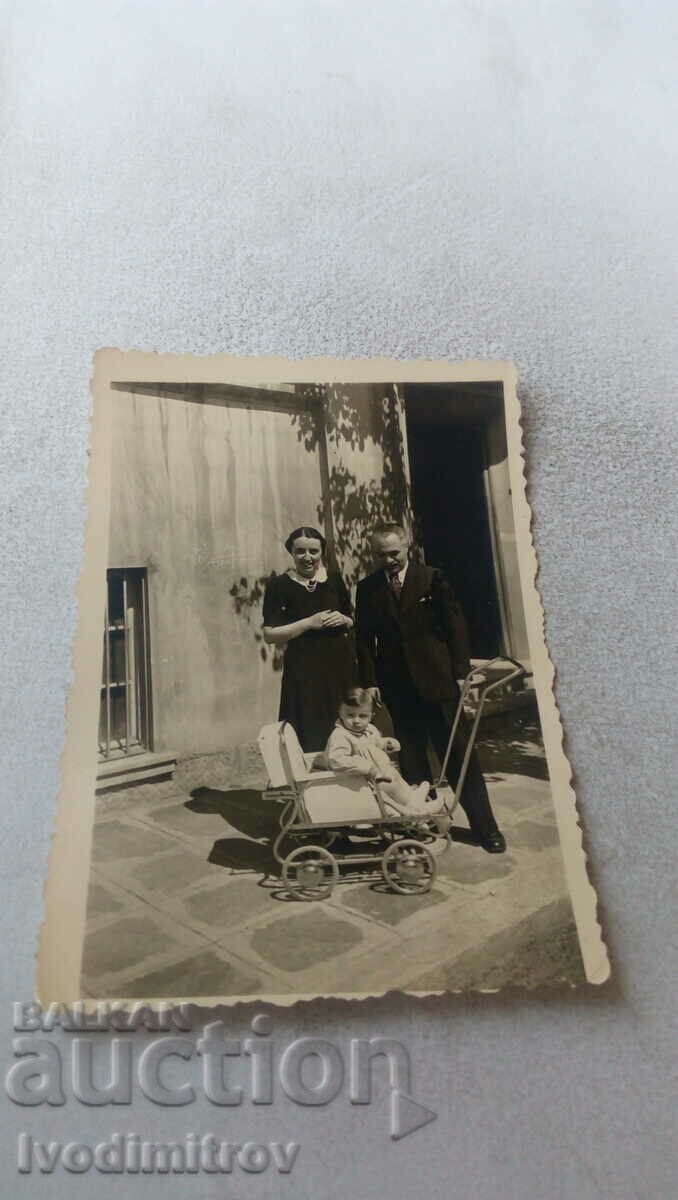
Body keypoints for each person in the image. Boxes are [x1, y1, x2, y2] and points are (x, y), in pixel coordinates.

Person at [355, 523, 506, 852]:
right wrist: (369, 681)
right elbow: (364, 640)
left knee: (458, 756)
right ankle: (422, 826)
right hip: (397, 687)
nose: (389, 560)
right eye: (381, 555)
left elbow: (455, 626)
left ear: (406, 545)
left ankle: (486, 829)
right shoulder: (367, 589)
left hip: (438, 684)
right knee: (412, 761)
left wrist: (460, 673)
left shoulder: (432, 578)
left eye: (394, 553)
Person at [262, 526, 357, 752]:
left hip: (340, 667)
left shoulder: (333, 579)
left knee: (347, 723)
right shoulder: (279, 586)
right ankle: (313, 784)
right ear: (291, 553)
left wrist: (343, 619)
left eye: (313, 551)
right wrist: (309, 623)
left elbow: (351, 619)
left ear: (321, 553)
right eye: (300, 551)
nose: (307, 557)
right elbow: (269, 634)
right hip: (304, 670)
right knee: (309, 726)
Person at [324, 687, 433, 814]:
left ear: (371, 716)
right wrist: (366, 767)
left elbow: (375, 744)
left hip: (380, 774)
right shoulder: (341, 735)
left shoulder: (369, 730)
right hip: (363, 781)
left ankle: (415, 802)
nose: (356, 720)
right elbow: (337, 759)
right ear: (340, 713)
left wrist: (386, 744)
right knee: (391, 784)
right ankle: (416, 807)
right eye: (350, 715)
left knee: (396, 778)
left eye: (363, 716)